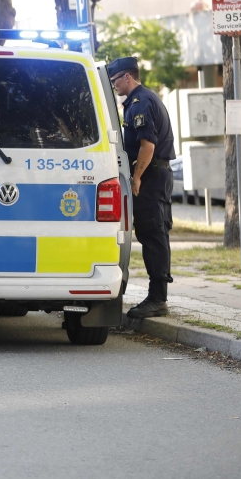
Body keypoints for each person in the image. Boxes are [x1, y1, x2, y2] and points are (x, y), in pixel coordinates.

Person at [108, 56, 175, 319]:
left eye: (115, 81)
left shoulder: (141, 102)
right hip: (153, 174)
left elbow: (148, 146)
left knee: (153, 234)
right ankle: (157, 296)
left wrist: (136, 177)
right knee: (151, 233)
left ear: (127, 77)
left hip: (150, 175)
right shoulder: (143, 99)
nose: (114, 86)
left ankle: (158, 299)